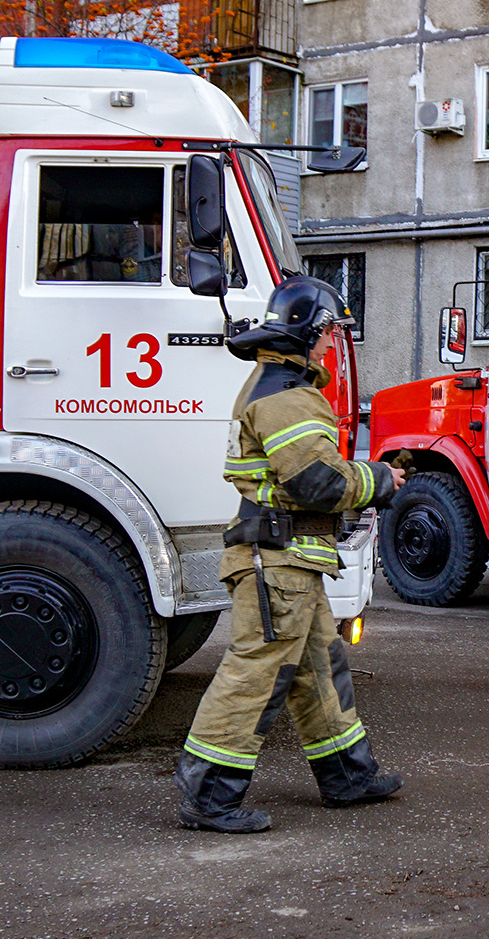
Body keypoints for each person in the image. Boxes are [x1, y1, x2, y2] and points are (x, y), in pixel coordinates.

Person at [174, 276, 406, 833]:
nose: (331, 346)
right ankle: (209, 796)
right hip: (278, 561)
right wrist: (380, 478)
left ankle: (347, 776)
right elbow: (317, 483)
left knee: (318, 668)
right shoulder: (288, 397)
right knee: (255, 672)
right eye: (330, 334)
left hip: (288, 560)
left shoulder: (271, 386)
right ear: (311, 331)